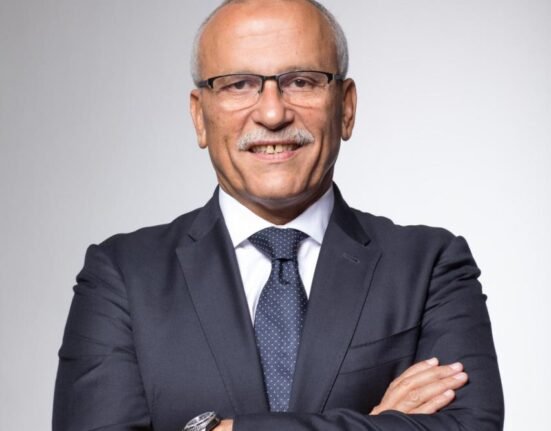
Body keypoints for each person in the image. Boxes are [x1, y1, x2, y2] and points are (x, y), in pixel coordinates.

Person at [53, 0, 504, 430]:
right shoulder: (123, 276)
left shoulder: (429, 267)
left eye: (302, 81)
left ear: (346, 108)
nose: (272, 113)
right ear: (199, 117)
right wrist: (377, 423)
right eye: (238, 84)